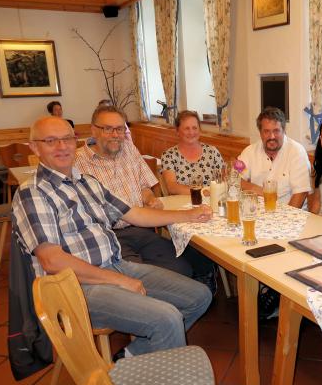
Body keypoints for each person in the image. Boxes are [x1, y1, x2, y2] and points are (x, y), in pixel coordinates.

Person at [12, 115, 237, 385]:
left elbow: (133, 213)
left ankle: (128, 362)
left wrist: (187, 215)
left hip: (115, 264)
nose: (61, 146)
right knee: (166, 318)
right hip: (76, 286)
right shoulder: (32, 193)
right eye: (51, 141)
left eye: (66, 138)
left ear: (76, 141)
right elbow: (51, 260)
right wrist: (119, 281)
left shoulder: (87, 182)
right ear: (34, 147)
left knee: (199, 295)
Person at [74, 106, 216, 291]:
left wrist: (150, 199)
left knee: (186, 265)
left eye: (120, 129)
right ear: (93, 129)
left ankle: (183, 303)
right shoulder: (77, 163)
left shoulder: (129, 150)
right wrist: (188, 214)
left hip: (141, 229)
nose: (115, 134)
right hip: (108, 236)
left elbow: (144, 186)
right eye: (108, 128)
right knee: (143, 279)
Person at [237, 107, 311, 208]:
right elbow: (234, 179)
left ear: (284, 131)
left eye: (276, 131)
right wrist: (259, 190)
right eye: (266, 131)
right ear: (260, 133)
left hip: (288, 214)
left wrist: (285, 219)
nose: (272, 136)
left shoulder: (297, 152)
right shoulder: (250, 151)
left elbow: (300, 194)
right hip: (257, 212)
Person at [160, 110, 225, 194]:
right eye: (186, 128)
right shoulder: (169, 156)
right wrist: (202, 192)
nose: (191, 132)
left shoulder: (212, 152)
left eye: (194, 128)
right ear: (177, 131)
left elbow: (223, 179)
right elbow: (172, 187)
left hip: (210, 202)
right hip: (180, 205)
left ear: (200, 130)